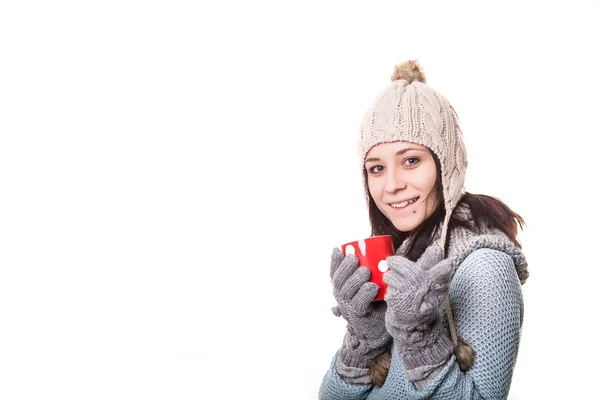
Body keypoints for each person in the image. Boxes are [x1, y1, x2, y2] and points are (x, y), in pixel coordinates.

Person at [319, 60, 529, 399]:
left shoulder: (485, 267)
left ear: (445, 163)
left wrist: (419, 339)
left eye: (411, 160)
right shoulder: (402, 259)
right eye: (376, 168)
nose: (391, 185)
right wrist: (363, 338)